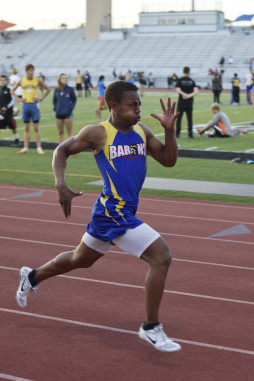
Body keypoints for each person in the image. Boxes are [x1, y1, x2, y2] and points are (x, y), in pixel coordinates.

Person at [15, 80, 182, 353]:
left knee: (81, 260)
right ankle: (150, 328)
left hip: (117, 211)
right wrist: (60, 184)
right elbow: (61, 150)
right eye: (132, 106)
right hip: (113, 211)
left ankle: (31, 277)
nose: (138, 111)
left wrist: (170, 132)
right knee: (161, 256)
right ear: (112, 105)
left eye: (139, 105)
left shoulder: (142, 131)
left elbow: (168, 160)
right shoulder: (98, 133)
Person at [11, 63, 51, 154]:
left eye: (33, 70)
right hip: (25, 106)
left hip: (34, 105)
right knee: (26, 128)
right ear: (26, 71)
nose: (32, 72)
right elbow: (12, 91)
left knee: (36, 128)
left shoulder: (37, 80)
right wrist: (19, 99)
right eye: (30, 71)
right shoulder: (22, 80)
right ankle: (25, 147)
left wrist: (41, 98)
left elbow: (48, 89)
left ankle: (39, 148)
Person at [53, 73, 77, 144]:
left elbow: (74, 100)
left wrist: (70, 108)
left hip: (68, 114)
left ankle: (71, 149)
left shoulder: (70, 89)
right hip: (58, 114)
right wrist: (56, 108)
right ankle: (60, 150)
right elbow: (54, 101)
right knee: (60, 132)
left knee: (69, 132)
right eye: (63, 78)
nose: (65, 79)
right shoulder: (56, 90)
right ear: (59, 80)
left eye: (66, 78)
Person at [175, 66, 198, 138]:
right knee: (189, 119)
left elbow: (178, 90)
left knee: (179, 118)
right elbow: (196, 91)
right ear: (189, 72)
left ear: (183, 71)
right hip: (189, 102)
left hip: (181, 102)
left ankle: (177, 134)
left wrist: (184, 94)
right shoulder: (191, 81)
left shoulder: (180, 80)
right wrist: (189, 95)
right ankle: (190, 134)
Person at [0, 74, 20, 145]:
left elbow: (12, 100)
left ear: (7, 81)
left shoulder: (9, 89)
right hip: (1, 112)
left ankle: (17, 139)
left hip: (8, 112)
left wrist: (7, 107)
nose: (2, 81)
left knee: (12, 126)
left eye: (4, 80)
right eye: (1, 80)